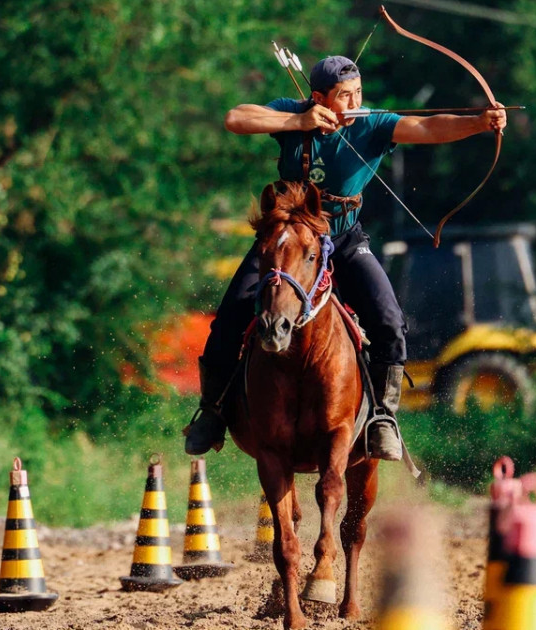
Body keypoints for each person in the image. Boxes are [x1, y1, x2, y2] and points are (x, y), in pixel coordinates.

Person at [183, 55, 507, 459]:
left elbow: (426, 126)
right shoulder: (293, 113)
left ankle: (383, 419)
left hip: (344, 241)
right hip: (289, 242)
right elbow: (236, 118)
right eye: (344, 96)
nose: (355, 102)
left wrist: (478, 122)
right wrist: (299, 123)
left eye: (358, 92)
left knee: (388, 319)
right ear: (319, 98)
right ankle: (212, 412)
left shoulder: (372, 123)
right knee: (231, 315)